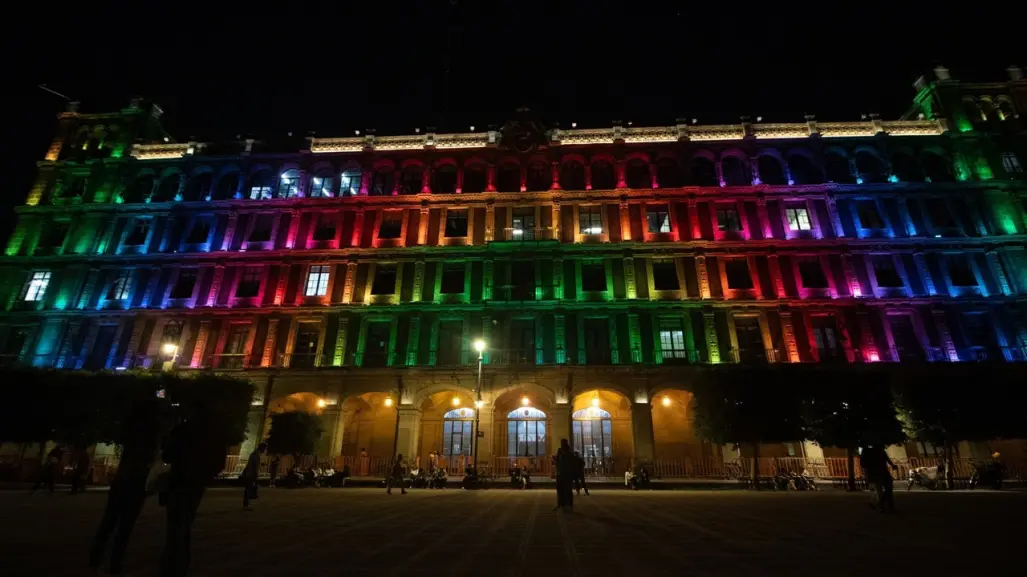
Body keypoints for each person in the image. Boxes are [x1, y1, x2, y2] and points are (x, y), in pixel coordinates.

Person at [89, 400, 161, 576]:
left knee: (109, 520)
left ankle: (96, 557)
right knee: (125, 527)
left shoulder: (131, 432)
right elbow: (153, 459)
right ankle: (115, 562)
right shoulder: (151, 436)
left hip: (123, 480)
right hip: (136, 483)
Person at [159, 400, 228, 577]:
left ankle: (171, 562)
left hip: (179, 479)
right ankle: (181, 562)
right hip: (196, 483)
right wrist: (205, 475)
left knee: (175, 524)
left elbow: (167, 454)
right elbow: (220, 461)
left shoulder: (184, 430)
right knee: (185, 521)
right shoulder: (214, 433)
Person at [860, 444, 897, 514]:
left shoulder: (871, 451)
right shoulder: (874, 451)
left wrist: (892, 465)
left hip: (879, 473)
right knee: (885, 489)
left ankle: (882, 505)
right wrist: (892, 465)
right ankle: (885, 506)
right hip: (880, 472)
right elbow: (886, 458)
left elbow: (863, 464)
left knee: (882, 490)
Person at [241, 443, 265, 510]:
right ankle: (246, 505)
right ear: (262, 448)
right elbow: (255, 466)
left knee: (248, 489)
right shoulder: (256, 455)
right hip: (251, 474)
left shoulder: (254, 454)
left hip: (249, 473)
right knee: (248, 489)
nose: (264, 451)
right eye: (264, 449)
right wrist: (255, 475)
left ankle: (246, 504)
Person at [553, 439, 574, 512]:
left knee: (568, 490)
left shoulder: (569, 452)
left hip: (567, 474)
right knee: (559, 489)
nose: (561, 444)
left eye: (563, 443)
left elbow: (571, 462)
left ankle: (569, 505)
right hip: (560, 473)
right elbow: (558, 461)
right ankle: (560, 504)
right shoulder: (560, 450)